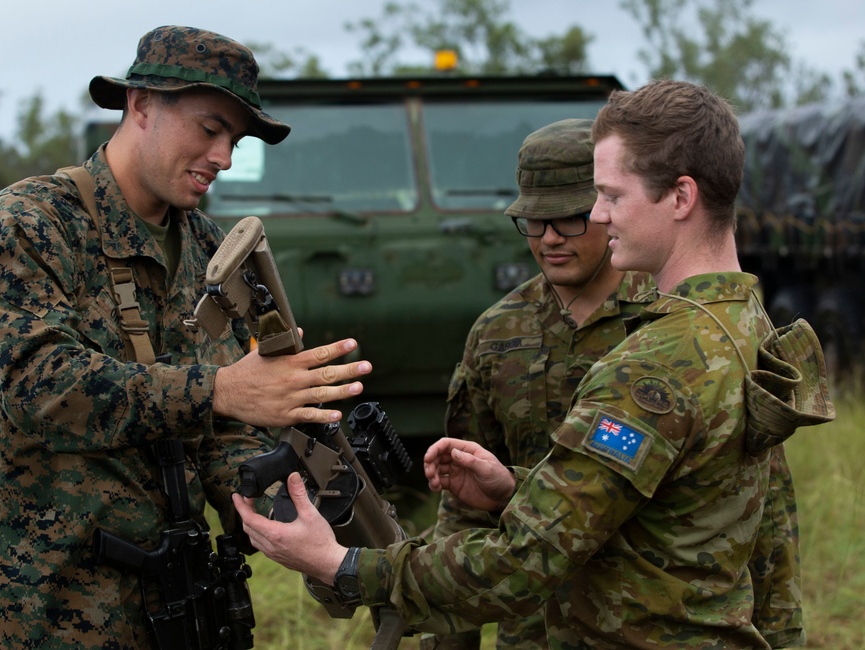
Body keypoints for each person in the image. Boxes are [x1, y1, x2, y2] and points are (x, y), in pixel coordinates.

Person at [235, 80, 826, 648]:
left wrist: (341, 563)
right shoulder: (740, 323)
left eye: (611, 197)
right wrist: (517, 489)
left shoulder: (654, 365)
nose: (595, 217)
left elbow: (524, 559)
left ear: (681, 197)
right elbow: (686, 513)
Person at [0, 26, 372, 648]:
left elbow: (221, 434)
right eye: (209, 128)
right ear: (140, 105)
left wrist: (288, 512)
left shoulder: (207, 245)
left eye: (235, 138)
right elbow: (38, 386)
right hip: (41, 610)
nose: (224, 157)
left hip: (176, 608)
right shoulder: (30, 224)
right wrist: (220, 391)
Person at [424, 119, 657, 650]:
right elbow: (464, 508)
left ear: (607, 209)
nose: (550, 238)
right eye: (534, 221)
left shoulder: (667, 321)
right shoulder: (497, 331)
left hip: (647, 622)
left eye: (571, 219)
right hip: (532, 627)